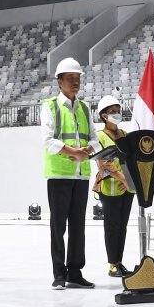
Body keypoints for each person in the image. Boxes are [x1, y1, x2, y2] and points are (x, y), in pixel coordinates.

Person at [41, 57, 100, 290]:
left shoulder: (85, 108)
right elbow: (48, 140)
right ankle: (59, 273)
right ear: (60, 82)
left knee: (78, 225)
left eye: (77, 79)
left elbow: (95, 138)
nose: (75, 82)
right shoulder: (51, 106)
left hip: (80, 175)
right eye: (70, 79)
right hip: (59, 174)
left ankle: (75, 272)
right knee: (59, 226)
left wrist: (87, 151)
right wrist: (72, 151)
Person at [94, 95, 134, 278]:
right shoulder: (99, 136)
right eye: (112, 112)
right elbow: (104, 164)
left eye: (118, 111)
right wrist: (123, 180)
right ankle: (112, 265)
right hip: (110, 188)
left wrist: (128, 183)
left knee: (123, 226)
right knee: (112, 227)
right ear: (104, 116)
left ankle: (119, 262)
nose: (117, 114)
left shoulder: (125, 135)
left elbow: (131, 160)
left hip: (126, 188)